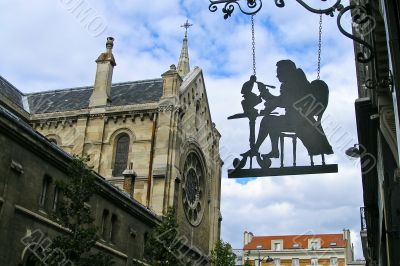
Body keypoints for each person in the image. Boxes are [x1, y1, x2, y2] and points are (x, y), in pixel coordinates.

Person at [248, 60, 333, 158]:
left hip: (300, 123)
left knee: (268, 121)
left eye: (279, 73)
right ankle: (269, 150)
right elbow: (280, 100)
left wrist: (265, 93)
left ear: (287, 71)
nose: (277, 76)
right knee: (269, 121)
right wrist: (265, 93)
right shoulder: (293, 83)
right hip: (293, 120)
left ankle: (257, 149)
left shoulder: (296, 84)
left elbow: (281, 101)